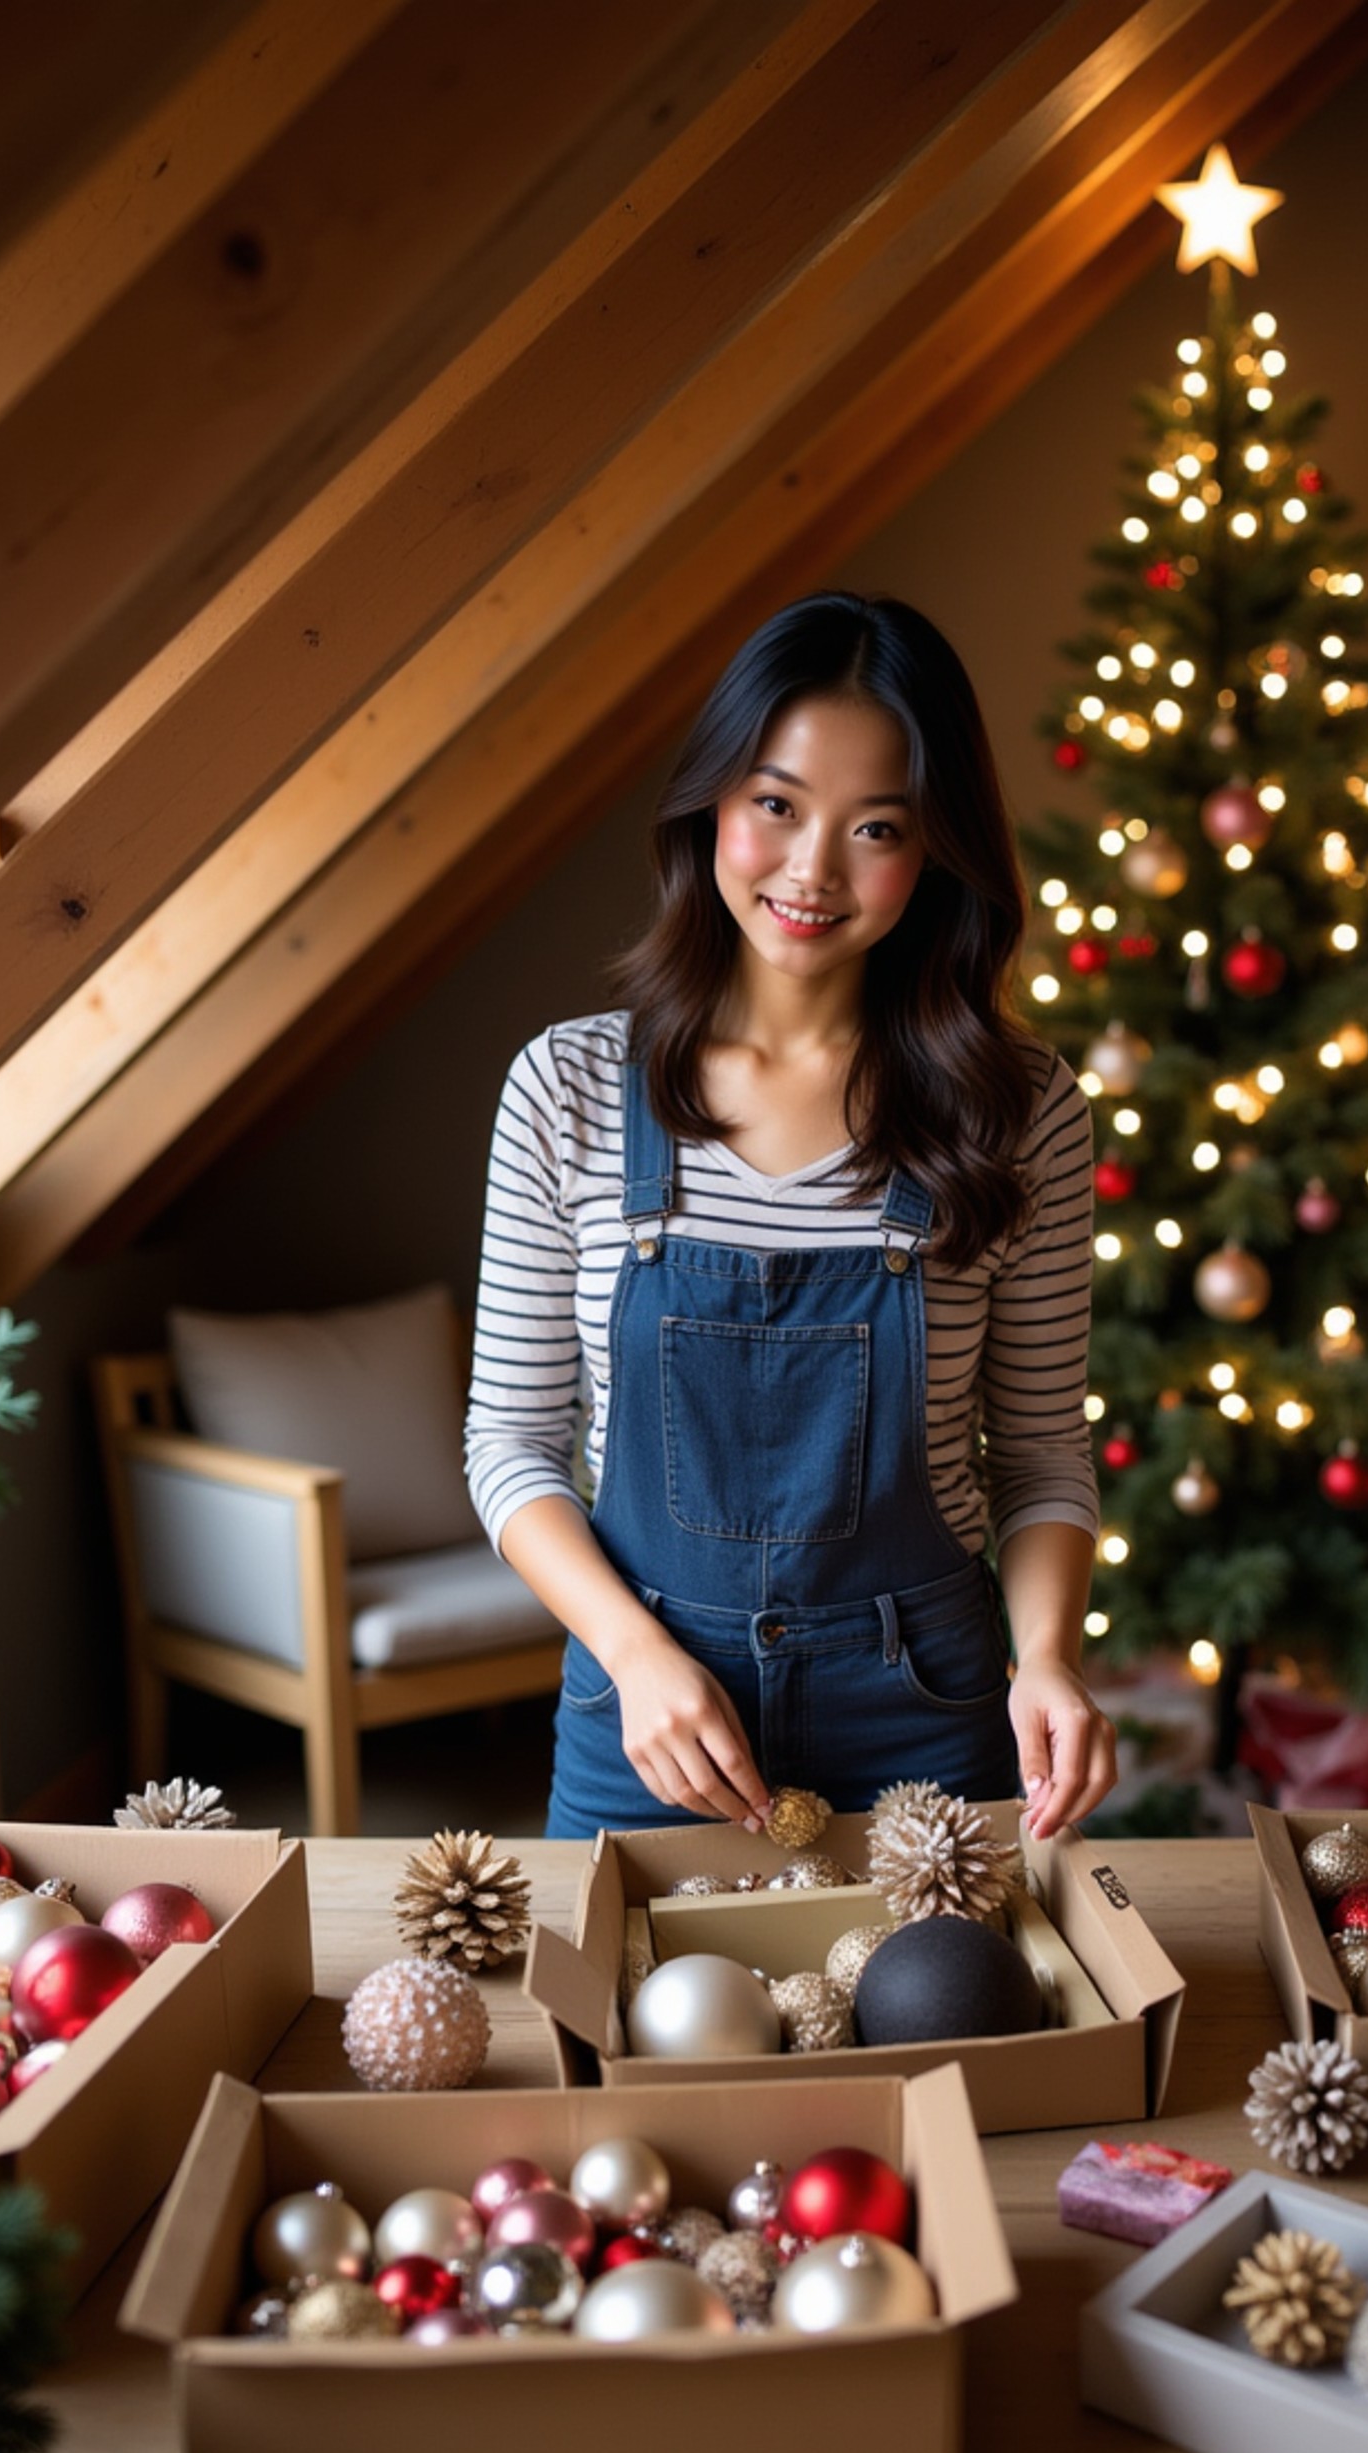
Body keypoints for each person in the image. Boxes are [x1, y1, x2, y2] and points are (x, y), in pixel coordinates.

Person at [465, 591, 1117, 1842]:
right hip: (650, 1713)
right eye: (775, 804)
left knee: (948, 2038)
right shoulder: (568, 1087)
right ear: (710, 800)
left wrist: (1046, 1658)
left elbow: (1036, 1454)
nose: (812, 870)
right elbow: (511, 1441)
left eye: (875, 827)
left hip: (925, 1707)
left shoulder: (1019, 1107)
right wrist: (632, 1654)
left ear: (936, 851)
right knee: (633, 2040)